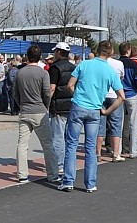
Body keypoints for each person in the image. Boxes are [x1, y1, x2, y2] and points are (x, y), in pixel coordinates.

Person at [58, 40, 124, 193]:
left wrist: (77, 95)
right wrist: (107, 111)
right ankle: (90, 183)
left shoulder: (84, 64)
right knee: (90, 147)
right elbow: (121, 96)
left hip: (79, 106)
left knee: (71, 144)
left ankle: (68, 181)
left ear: (98, 50)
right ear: (110, 53)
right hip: (95, 109)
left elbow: (70, 85)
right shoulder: (110, 72)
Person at [14, 45, 60, 184]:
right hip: (39, 111)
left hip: (25, 111)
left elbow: (15, 93)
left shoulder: (19, 73)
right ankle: (52, 174)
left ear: (27, 56)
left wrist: (21, 104)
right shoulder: (43, 73)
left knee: (22, 144)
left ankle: (22, 174)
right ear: (40, 57)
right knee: (47, 144)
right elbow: (46, 92)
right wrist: (46, 105)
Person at [48, 42, 76, 174]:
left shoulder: (55, 68)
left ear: (59, 52)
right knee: (69, 137)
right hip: (71, 104)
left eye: (55, 51)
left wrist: (46, 103)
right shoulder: (74, 67)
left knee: (58, 137)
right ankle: (69, 162)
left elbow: (51, 88)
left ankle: (59, 164)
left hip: (58, 106)